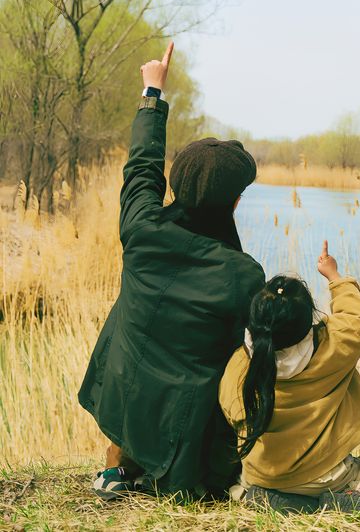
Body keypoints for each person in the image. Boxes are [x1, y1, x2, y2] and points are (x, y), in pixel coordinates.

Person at [78, 42, 266, 500]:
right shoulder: (243, 274)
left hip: (119, 392)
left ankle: (117, 465)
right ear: (236, 201)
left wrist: (152, 92)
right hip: (185, 427)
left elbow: (142, 166)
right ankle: (169, 469)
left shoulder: (143, 229)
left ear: (175, 185)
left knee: (139, 351)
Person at [218, 240, 360, 513]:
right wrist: (334, 277)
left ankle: (267, 497)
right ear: (307, 317)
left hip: (263, 474)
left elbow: (232, 412)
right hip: (324, 476)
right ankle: (338, 500)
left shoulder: (240, 364)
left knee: (246, 483)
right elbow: (359, 319)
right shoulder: (332, 346)